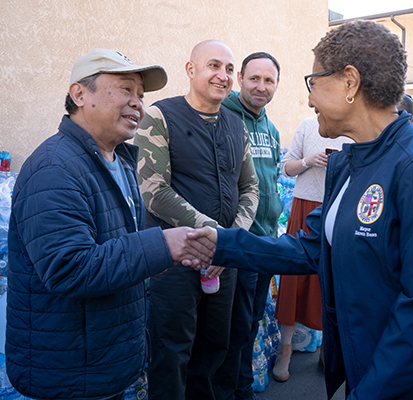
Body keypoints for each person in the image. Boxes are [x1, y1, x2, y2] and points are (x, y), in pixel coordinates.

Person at [189, 20, 413, 399]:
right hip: (376, 369)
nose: (308, 99)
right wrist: (220, 244)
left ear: (350, 82)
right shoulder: (354, 163)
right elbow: (309, 247)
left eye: (313, 82)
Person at [6, 49, 214, 400]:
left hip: (103, 362)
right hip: (70, 372)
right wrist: (161, 245)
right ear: (79, 94)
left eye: (141, 96)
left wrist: (160, 260)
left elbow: (115, 251)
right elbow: (70, 269)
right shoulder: (54, 168)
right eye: (124, 89)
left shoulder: (120, 162)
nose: (137, 104)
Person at [134, 40, 259, 400]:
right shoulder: (159, 117)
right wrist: (214, 236)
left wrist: (232, 238)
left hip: (224, 262)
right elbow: (154, 190)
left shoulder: (237, 126)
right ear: (191, 70)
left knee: (216, 347)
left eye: (229, 69)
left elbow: (250, 187)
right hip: (175, 260)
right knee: (172, 352)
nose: (223, 76)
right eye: (213, 66)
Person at [212, 52, 282, 400]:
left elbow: (270, 180)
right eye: (254, 78)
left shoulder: (271, 129)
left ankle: (241, 384)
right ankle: (233, 391)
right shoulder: (223, 117)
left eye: (269, 81)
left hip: (267, 243)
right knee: (235, 326)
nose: (261, 86)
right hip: (239, 241)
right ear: (240, 78)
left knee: (253, 321)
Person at [272, 116, 352, 382]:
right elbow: (286, 168)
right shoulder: (307, 126)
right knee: (294, 279)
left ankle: (327, 348)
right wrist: (309, 161)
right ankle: (285, 349)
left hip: (340, 206)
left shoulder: (352, 127)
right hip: (304, 205)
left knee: (332, 281)